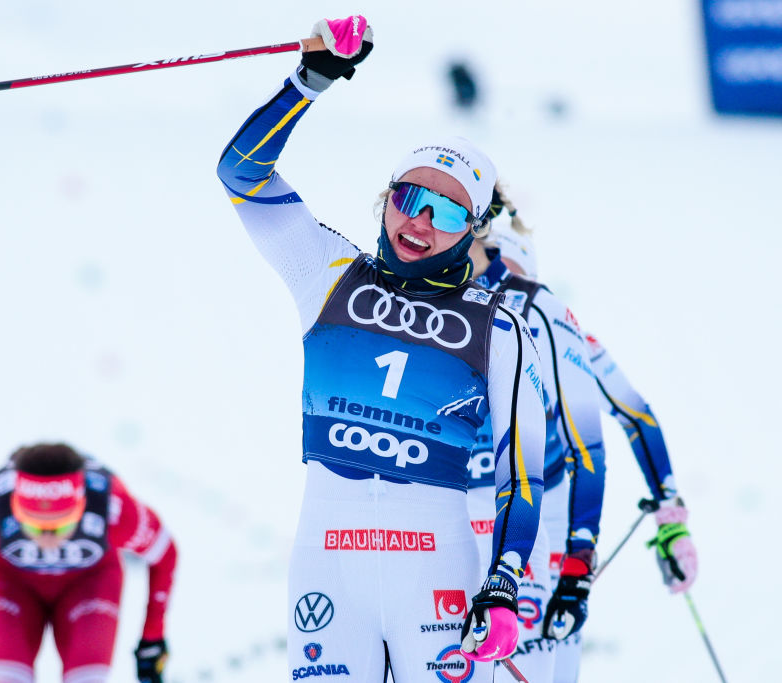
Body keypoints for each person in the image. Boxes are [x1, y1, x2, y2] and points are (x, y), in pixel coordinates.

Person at [216, 16, 547, 681]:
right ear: (386, 198)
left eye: (448, 212)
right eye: (409, 197)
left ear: (471, 230)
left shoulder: (499, 328)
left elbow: (522, 470)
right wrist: (309, 81)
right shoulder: (327, 272)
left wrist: (506, 585)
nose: (419, 222)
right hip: (327, 563)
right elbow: (241, 173)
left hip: (437, 567)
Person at [488, 215, 698, 683]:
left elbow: (635, 414)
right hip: (517, 511)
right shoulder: (554, 323)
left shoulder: (559, 330)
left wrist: (671, 518)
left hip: (539, 513)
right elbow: (638, 415)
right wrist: (669, 515)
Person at [463, 193, 607, 683]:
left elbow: (599, 435)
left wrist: (578, 564)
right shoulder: (432, 303)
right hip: (441, 526)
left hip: (522, 525)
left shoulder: (546, 313)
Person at [0, 443, 177, 683]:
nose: (48, 539)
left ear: (81, 506)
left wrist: (153, 635)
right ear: (15, 508)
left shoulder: (113, 507)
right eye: (33, 524)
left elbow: (165, 554)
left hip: (88, 582)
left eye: (62, 524)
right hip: (9, 582)